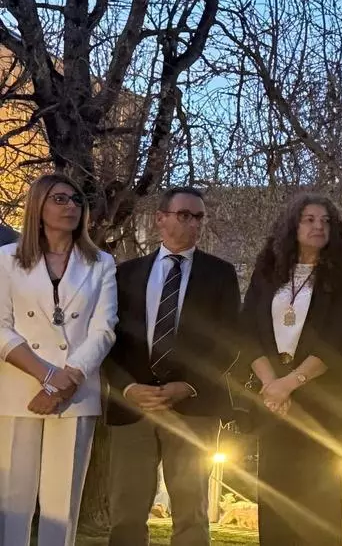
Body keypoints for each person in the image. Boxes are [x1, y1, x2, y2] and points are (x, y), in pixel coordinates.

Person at [104, 187, 242, 546]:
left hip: (193, 406)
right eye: (184, 215)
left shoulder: (220, 274)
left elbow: (230, 341)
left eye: (199, 217)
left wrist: (189, 385)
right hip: (133, 407)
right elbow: (107, 341)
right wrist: (128, 387)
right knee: (126, 511)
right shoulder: (125, 274)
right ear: (160, 219)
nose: (193, 223)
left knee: (191, 513)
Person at [0, 173, 118, 545]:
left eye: (77, 200)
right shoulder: (6, 259)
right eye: (60, 199)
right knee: (12, 505)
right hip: (19, 390)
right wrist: (48, 377)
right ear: (38, 206)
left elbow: (104, 329)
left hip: (76, 392)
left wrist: (65, 381)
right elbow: (1, 326)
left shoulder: (101, 263)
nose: (71, 206)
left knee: (62, 506)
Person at [241, 194, 342, 545]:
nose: (318, 226)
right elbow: (247, 332)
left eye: (326, 221)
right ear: (293, 226)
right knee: (276, 500)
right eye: (309, 219)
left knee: (320, 505)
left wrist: (290, 383)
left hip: (322, 403)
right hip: (273, 401)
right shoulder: (267, 273)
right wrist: (271, 385)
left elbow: (339, 340)